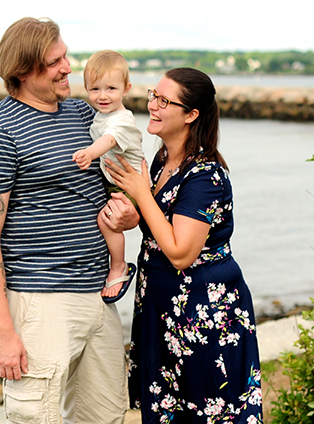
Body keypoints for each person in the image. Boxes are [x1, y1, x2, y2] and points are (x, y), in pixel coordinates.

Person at [0, 17, 139, 424]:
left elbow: (116, 175)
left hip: (100, 298)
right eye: (54, 62)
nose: (68, 68)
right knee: (38, 418)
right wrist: (3, 332)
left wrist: (128, 213)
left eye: (65, 56)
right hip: (41, 305)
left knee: (107, 416)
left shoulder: (83, 115)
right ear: (23, 72)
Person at [106, 68, 262, 424]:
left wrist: (141, 193)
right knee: (165, 412)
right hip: (161, 309)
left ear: (191, 115)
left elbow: (181, 252)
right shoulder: (161, 161)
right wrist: (132, 216)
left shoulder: (204, 174)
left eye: (165, 101)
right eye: (152, 96)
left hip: (204, 315)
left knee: (208, 411)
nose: (153, 106)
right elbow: (160, 227)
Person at [72, 50, 143, 303]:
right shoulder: (101, 116)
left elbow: (109, 139)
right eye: (95, 89)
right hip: (111, 179)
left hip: (128, 184)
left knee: (106, 221)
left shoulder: (122, 120)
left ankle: (119, 266)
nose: (102, 96)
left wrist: (89, 153)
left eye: (111, 88)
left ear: (126, 89)